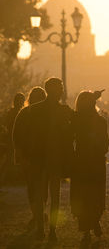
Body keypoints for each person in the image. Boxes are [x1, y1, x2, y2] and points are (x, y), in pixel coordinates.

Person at [13, 78, 73, 243]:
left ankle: (41, 228)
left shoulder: (32, 110)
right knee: (55, 196)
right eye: (60, 88)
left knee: (39, 195)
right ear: (53, 90)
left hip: (37, 158)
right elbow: (79, 125)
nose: (62, 91)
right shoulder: (64, 111)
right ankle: (52, 230)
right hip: (54, 158)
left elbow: (18, 133)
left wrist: (21, 155)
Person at [70, 90, 109, 245]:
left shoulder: (75, 120)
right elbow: (106, 144)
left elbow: (68, 138)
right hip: (97, 162)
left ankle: (86, 228)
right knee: (97, 193)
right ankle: (95, 221)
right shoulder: (100, 121)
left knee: (82, 195)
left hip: (80, 162)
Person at [13, 86, 47, 231]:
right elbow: (17, 137)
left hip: (32, 157)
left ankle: (37, 214)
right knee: (40, 187)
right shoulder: (43, 114)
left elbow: (16, 136)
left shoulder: (24, 113)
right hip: (38, 157)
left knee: (34, 187)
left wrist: (20, 156)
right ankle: (38, 214)